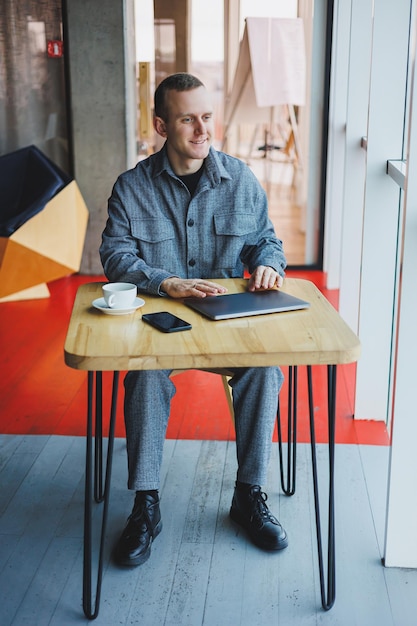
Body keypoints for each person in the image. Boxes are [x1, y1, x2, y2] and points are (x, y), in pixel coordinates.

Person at [100, 73, 288, 567]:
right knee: (143, 378)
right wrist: (165, 282)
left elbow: (266, 239)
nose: (202, 129)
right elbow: (115, 255)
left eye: (207, 116)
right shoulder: (132, 187)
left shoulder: (241, 179)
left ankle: (249, 497)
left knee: (266, 370)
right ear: (162, 125)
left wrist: (269, 262)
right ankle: (146, 504)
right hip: (160, 321)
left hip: (228, 325)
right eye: (188, 119)